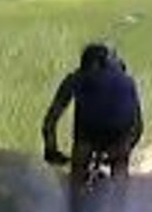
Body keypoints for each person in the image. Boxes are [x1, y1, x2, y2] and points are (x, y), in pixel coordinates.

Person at [42, 42, 144, 187]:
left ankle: (76, 199)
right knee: (120, 171)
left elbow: (50, 120)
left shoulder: (75, 78)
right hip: (119, 135)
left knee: (78, 172)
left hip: (87, 134)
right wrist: (126, 150)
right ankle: (121, 202)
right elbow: (138, 127)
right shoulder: (127, 81)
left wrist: (50, 149)